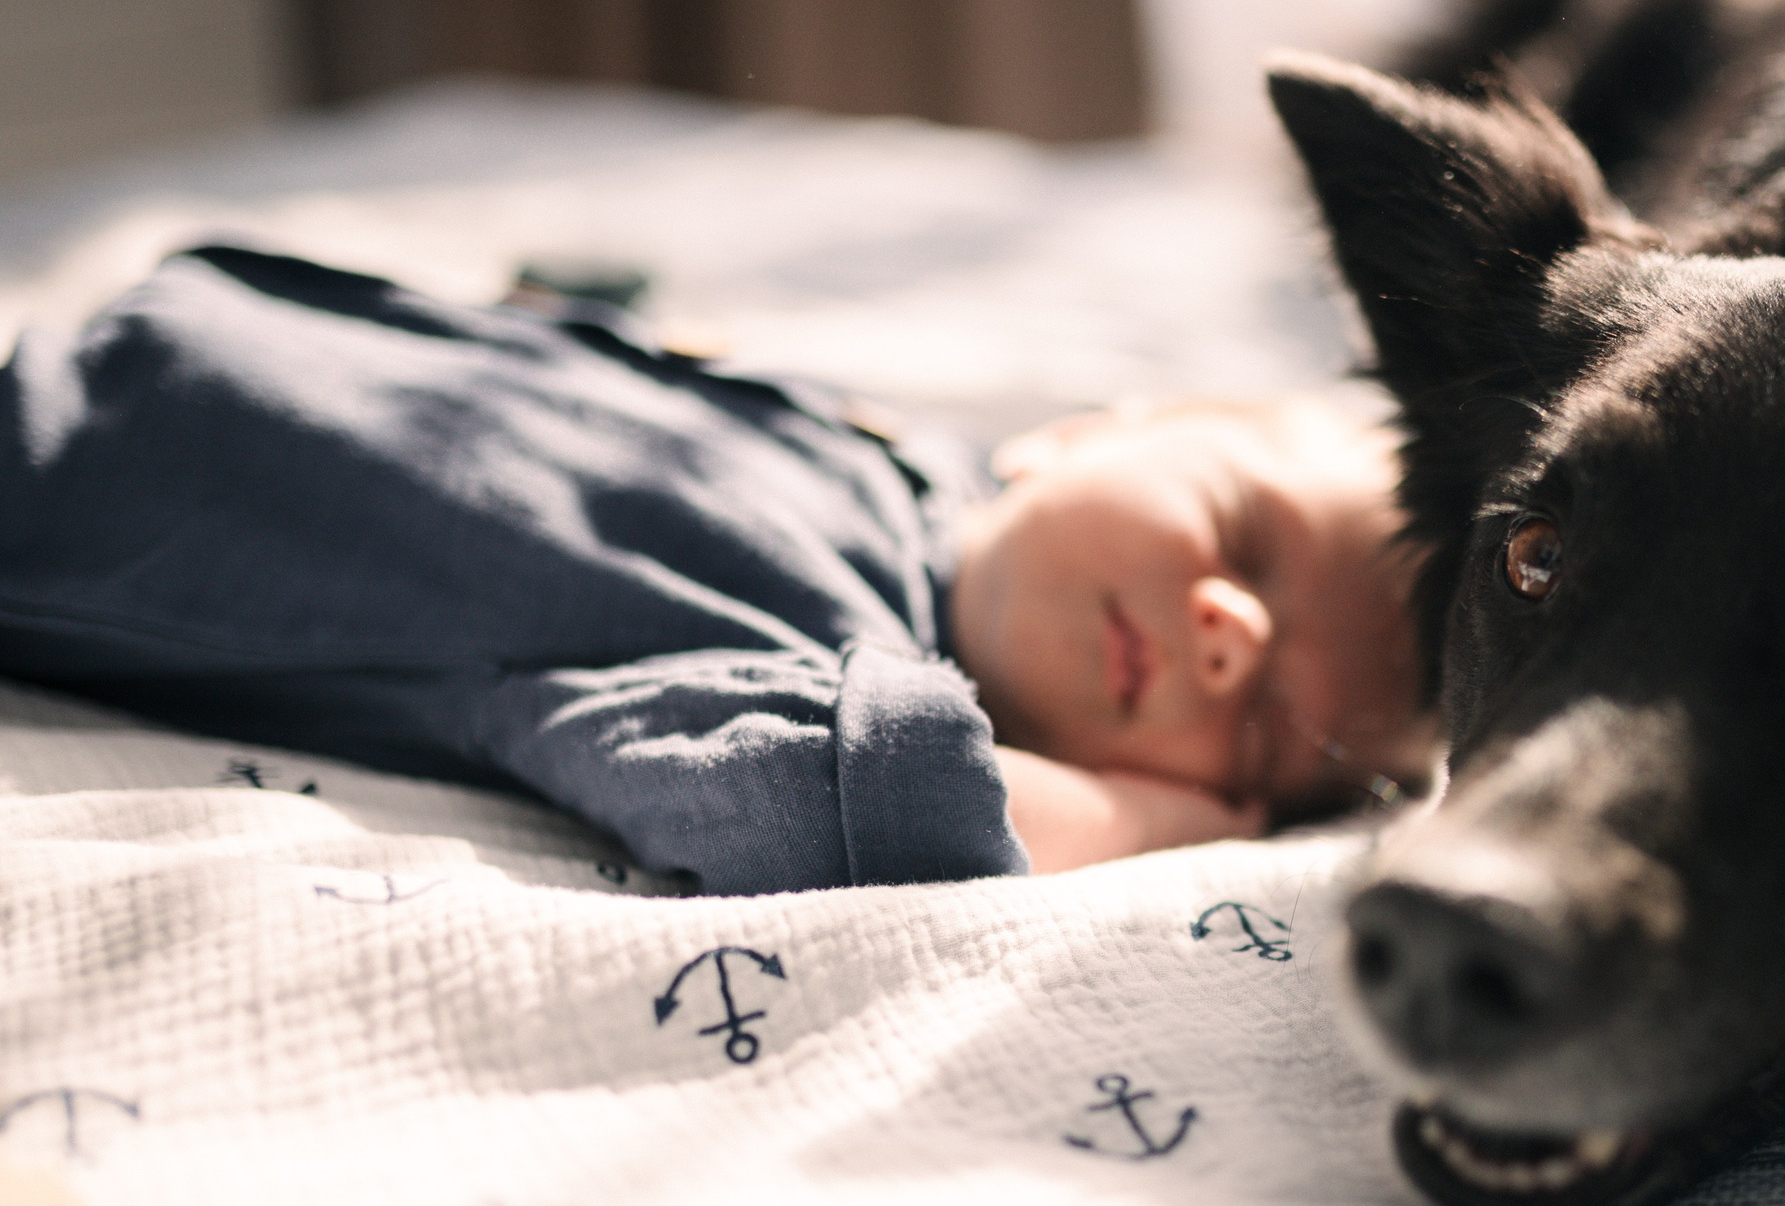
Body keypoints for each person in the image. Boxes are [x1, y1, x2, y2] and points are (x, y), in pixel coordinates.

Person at [0, 246, 1436, 893]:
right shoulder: (892, 467)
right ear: (1108, 428)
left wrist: (1143, 824)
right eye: (1249, 540)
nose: (1235, 636)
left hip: (52, 486)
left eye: (1264, 731)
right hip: (146, 329)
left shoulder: (824, 663)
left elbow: (806, 801)